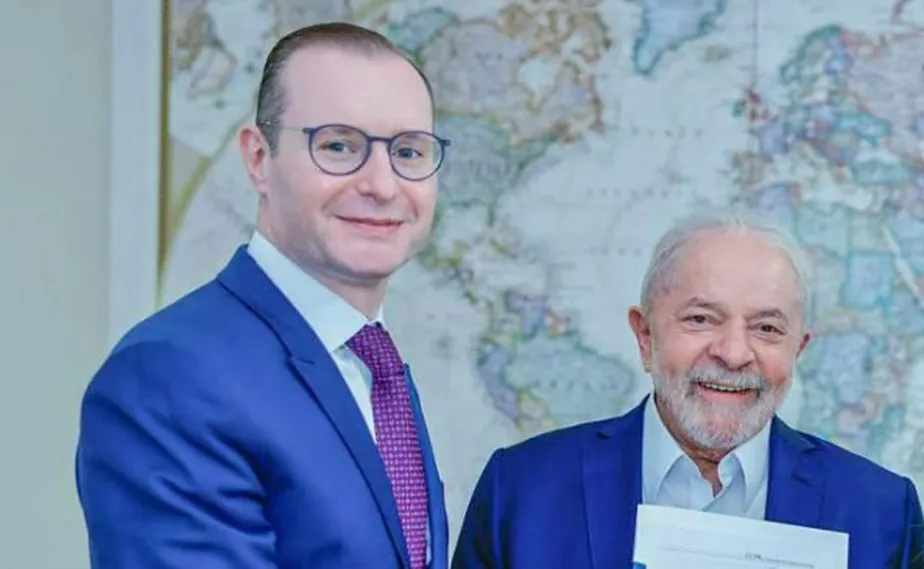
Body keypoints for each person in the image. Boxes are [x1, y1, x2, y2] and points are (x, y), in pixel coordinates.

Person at [76, 22, 451, 569]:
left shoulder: (375, 366)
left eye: (409, 152)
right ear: (258, 157)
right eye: (338, 146)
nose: (382, 184)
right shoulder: (169, 376)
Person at [451, 210, 924, 569]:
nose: (734, 353)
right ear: (645, 336)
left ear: (797, 350)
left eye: (766, 328)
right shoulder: (521, 489)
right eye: (701, 319)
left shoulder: (882, 514)